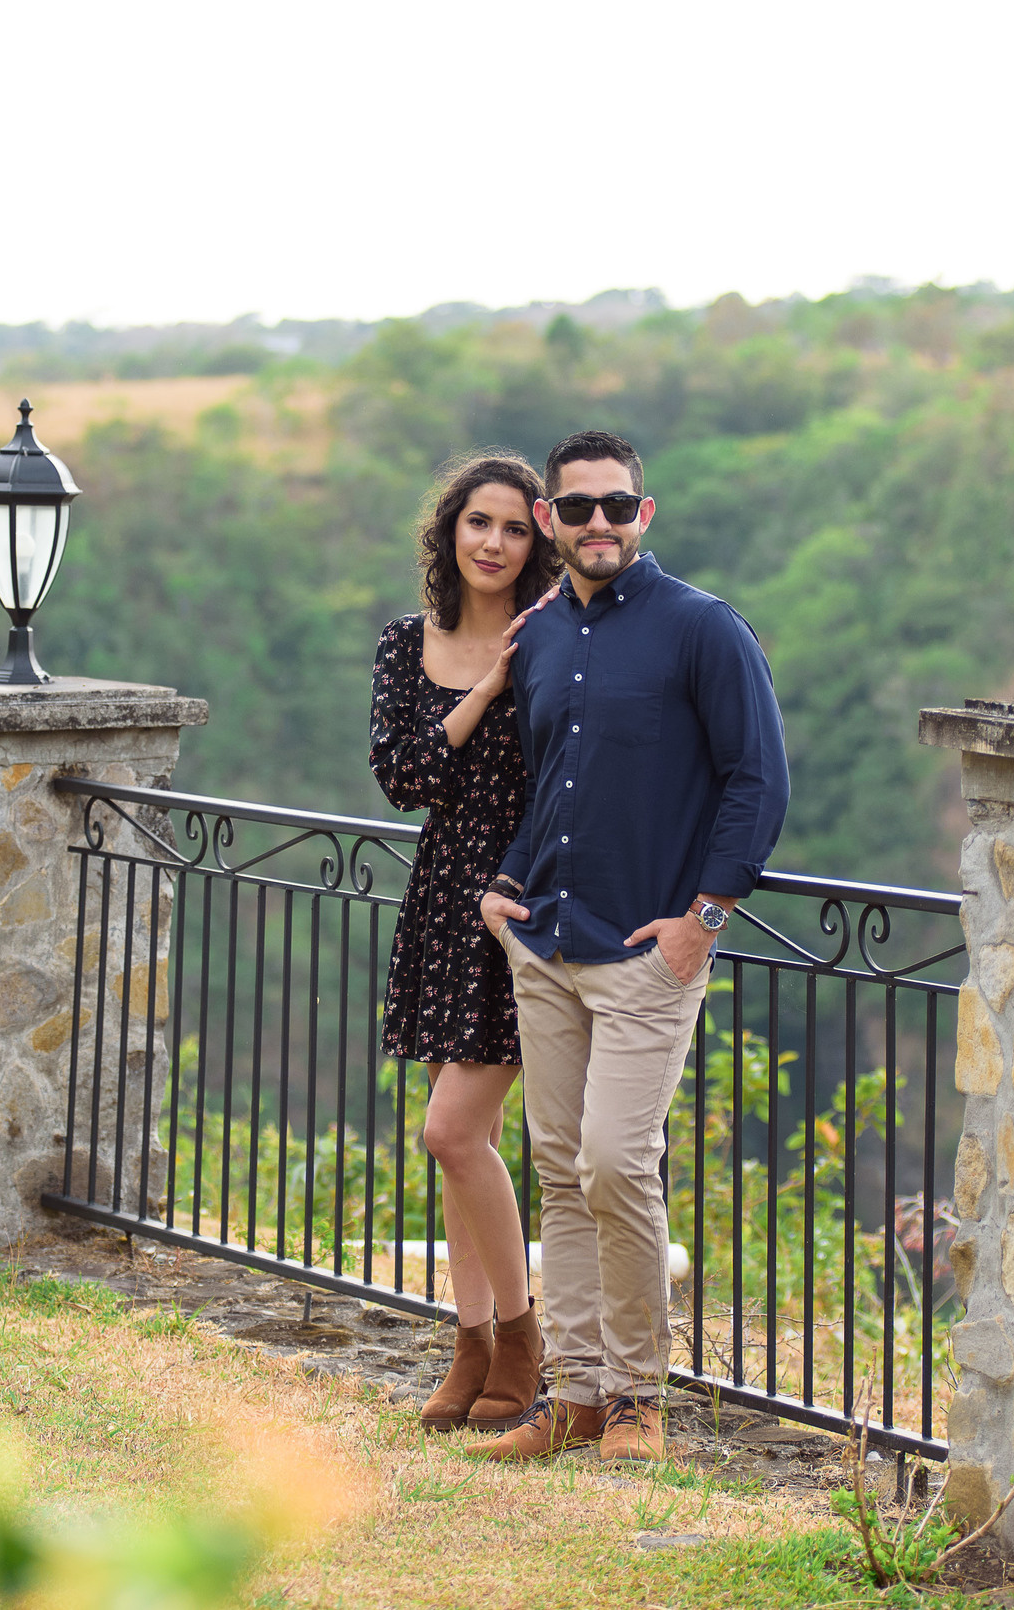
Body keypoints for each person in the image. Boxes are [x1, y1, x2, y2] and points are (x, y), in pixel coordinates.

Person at [465, 429, 788, 1465]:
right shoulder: (542, 634)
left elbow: (756, 780)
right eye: (575, 508)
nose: (594, 523)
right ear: (553, 522)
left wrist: (705, 920)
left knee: (616, 1159)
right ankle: (576, 1397)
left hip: (647, 952)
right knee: (560, 1168)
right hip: (545, 942)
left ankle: (640, 1398)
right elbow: (548, 781)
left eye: (615, 505)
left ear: (643, 515)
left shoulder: (702, 628)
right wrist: (507, 885)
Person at [368, 449, 562, 1431]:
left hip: (517, 896)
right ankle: (473, 1347)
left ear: (538, 539)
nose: (492, 541)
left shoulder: (561, 636)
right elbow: (401, 775)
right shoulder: (409, 643)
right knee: (464, 1145)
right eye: (476, 521)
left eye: (514, 526)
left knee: (449, 1130)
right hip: (441, 897)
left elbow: (576, 777)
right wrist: (485, 685)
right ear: (450, 530)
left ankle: (523, 1341)